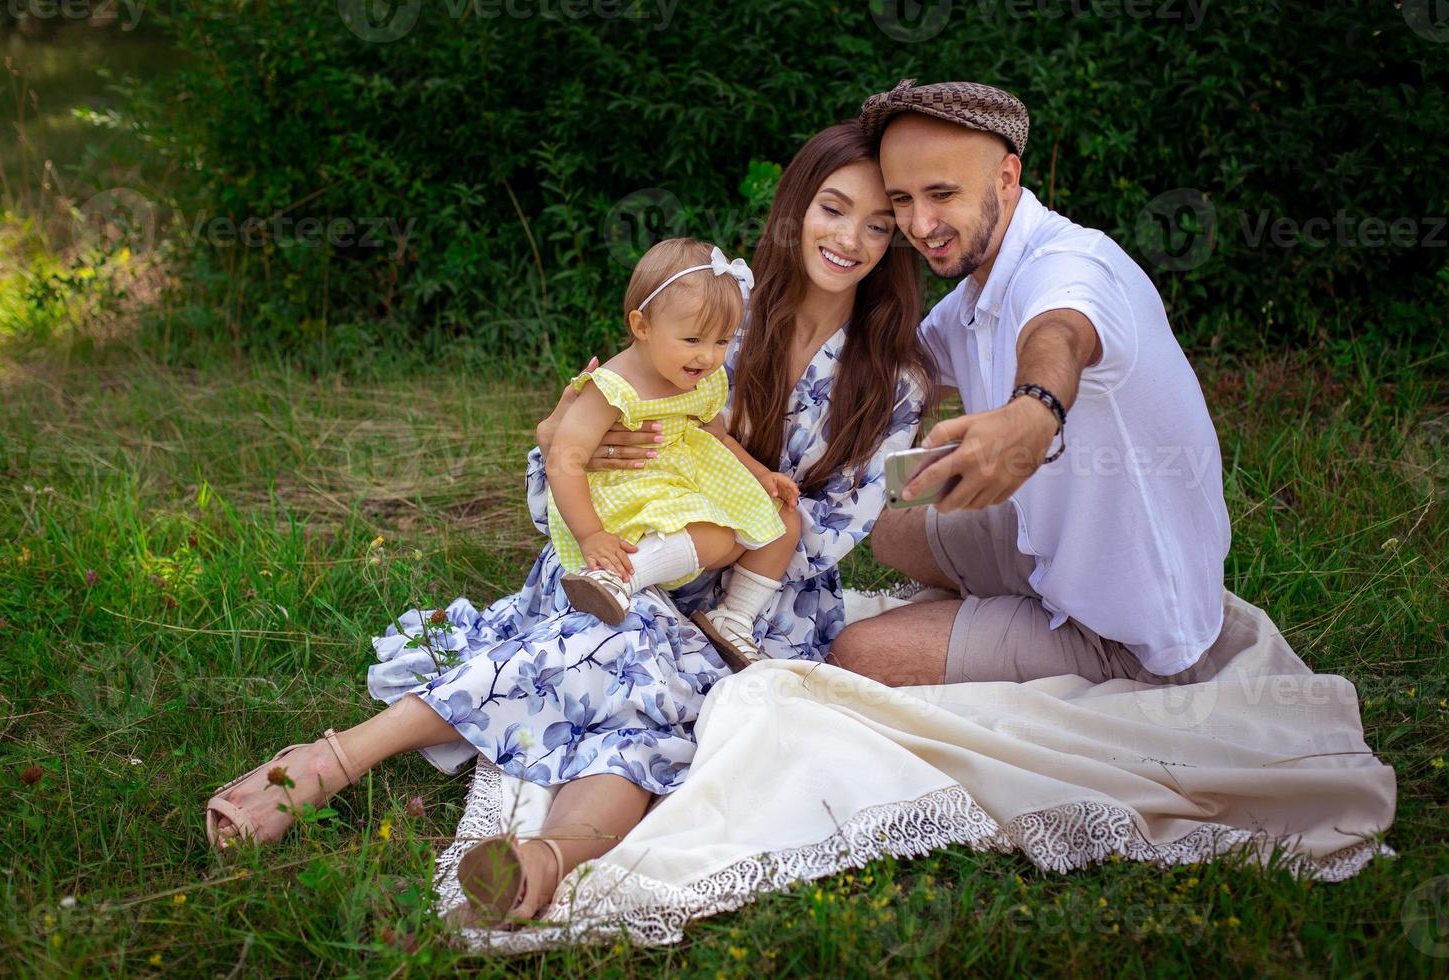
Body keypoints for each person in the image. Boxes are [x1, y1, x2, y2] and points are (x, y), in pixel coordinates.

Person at [202, 118, 933, 927]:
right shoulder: (706, 300)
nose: (852, 239)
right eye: (834, 208)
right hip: (613, 560)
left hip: (750, 605)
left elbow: (825, 539)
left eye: (880, 225)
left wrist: (712, 527)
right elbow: (563, 458)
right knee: (614, 638)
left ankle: (530, 850)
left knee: (642, 673)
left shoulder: (893, 377)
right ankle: (343, 767)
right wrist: (570, 448)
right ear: (796, 207)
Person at [829, 79, 1231, 688]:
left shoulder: (1069, 267)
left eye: (941, 194)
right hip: (1046, 546)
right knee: (881, 516)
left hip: (1129, 629)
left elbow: (1062, 334)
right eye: (902, 200)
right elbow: (885, 380)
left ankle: (1001, 635)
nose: (920, 224)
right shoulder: (975, 292)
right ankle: (978, 618)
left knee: (859, 654)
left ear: (1007, 178)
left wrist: (1032, 413)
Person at [548, 237, 803, 670]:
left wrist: (760, 475)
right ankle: (615, 579)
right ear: (642, 326)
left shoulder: (702, 378)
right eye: (692, 339)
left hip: (689, 480)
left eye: (723, 341)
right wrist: (590, 533)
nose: (708, 356)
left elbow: (719, 438)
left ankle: (734, 617)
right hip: (635, 490)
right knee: (717, 535)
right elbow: (563, 458)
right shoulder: (613, 387)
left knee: (786, 518)